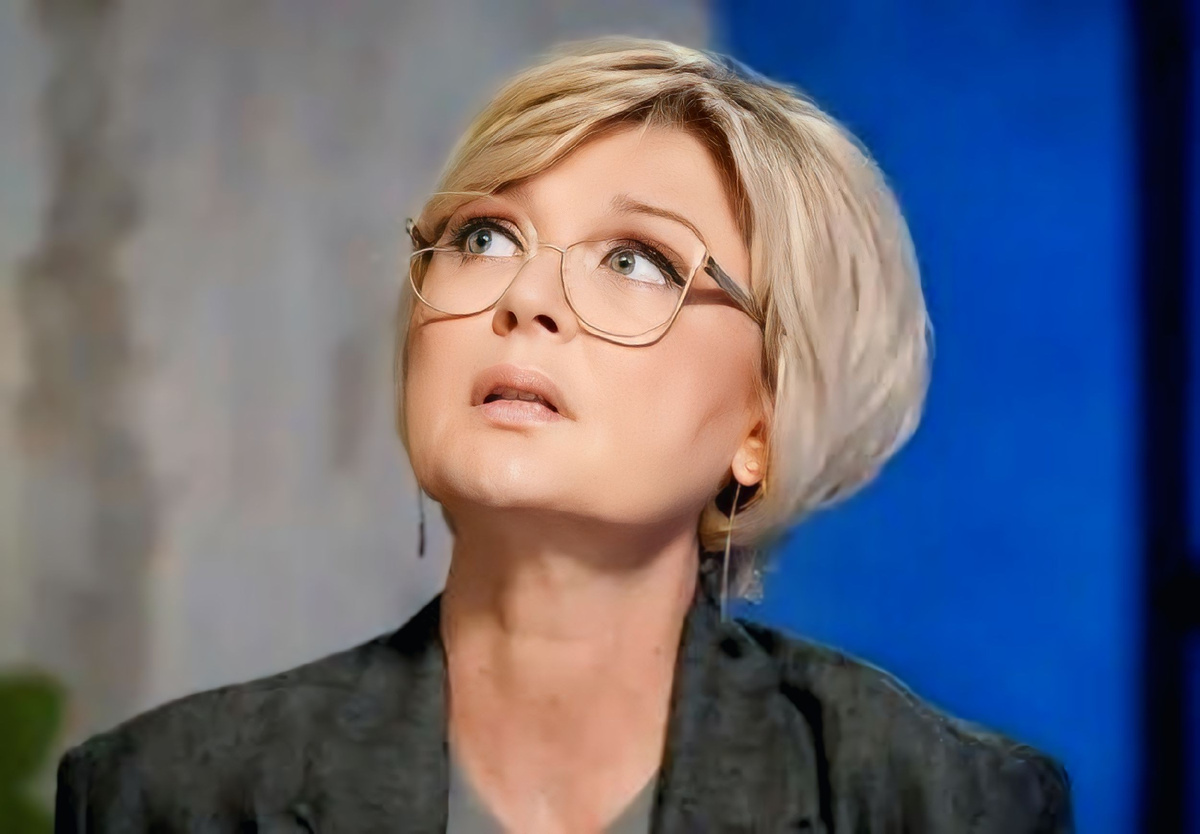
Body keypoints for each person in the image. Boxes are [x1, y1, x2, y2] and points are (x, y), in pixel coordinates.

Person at [53, 37, 1073, 833]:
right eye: (484, 236)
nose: (525, 297)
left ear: (762, 421)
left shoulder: (937, 803)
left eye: (635, 260)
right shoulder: (163, 796)